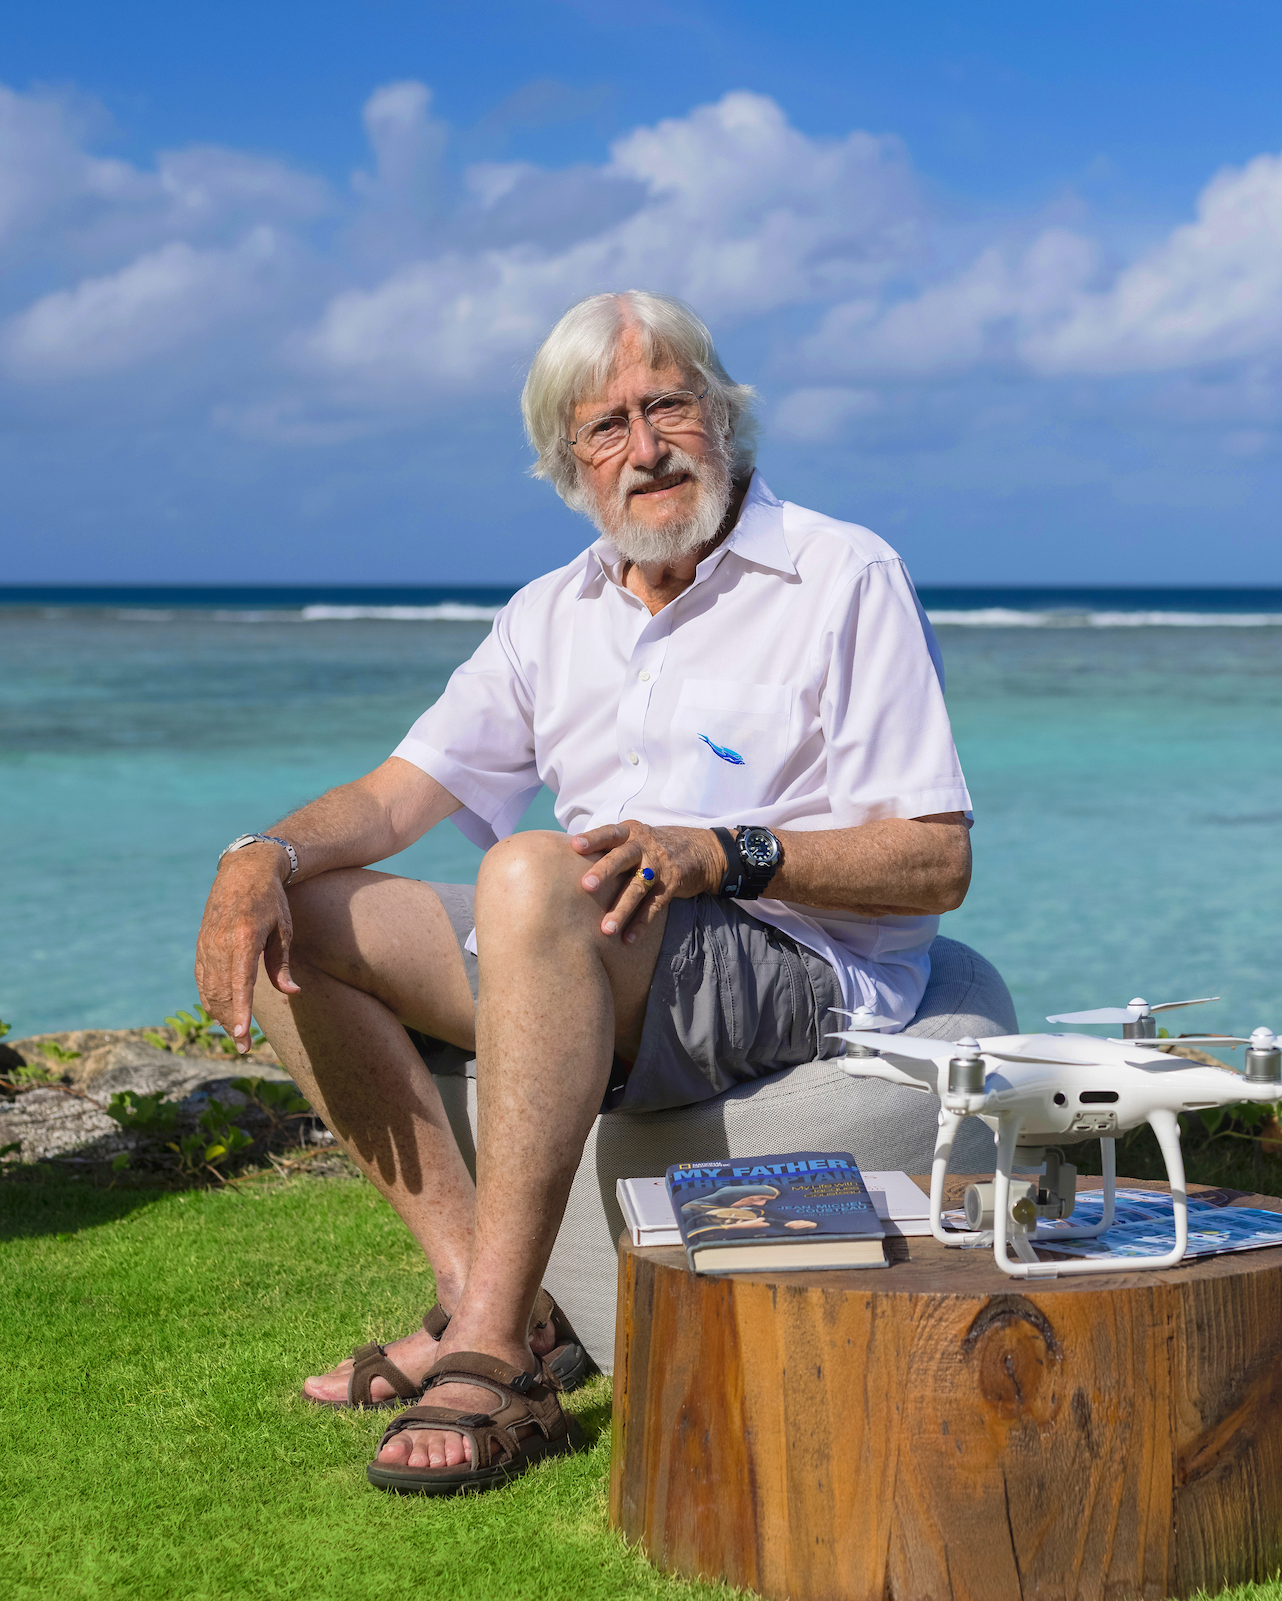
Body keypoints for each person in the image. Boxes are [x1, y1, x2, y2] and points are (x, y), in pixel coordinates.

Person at [192, 289, 974, 1494]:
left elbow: (937, 857)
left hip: (799, 959)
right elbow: (396, 795)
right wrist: (260, 855)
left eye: (668, 406)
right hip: (601, 945)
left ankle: (496, 1358)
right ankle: (486, 1305)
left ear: (724, 416)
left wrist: (729, 850)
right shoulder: (549, 614)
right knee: (302, 921)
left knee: (528, 872)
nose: (646, 447)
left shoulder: (841, 572)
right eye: (605, 426)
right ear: (570, 465)